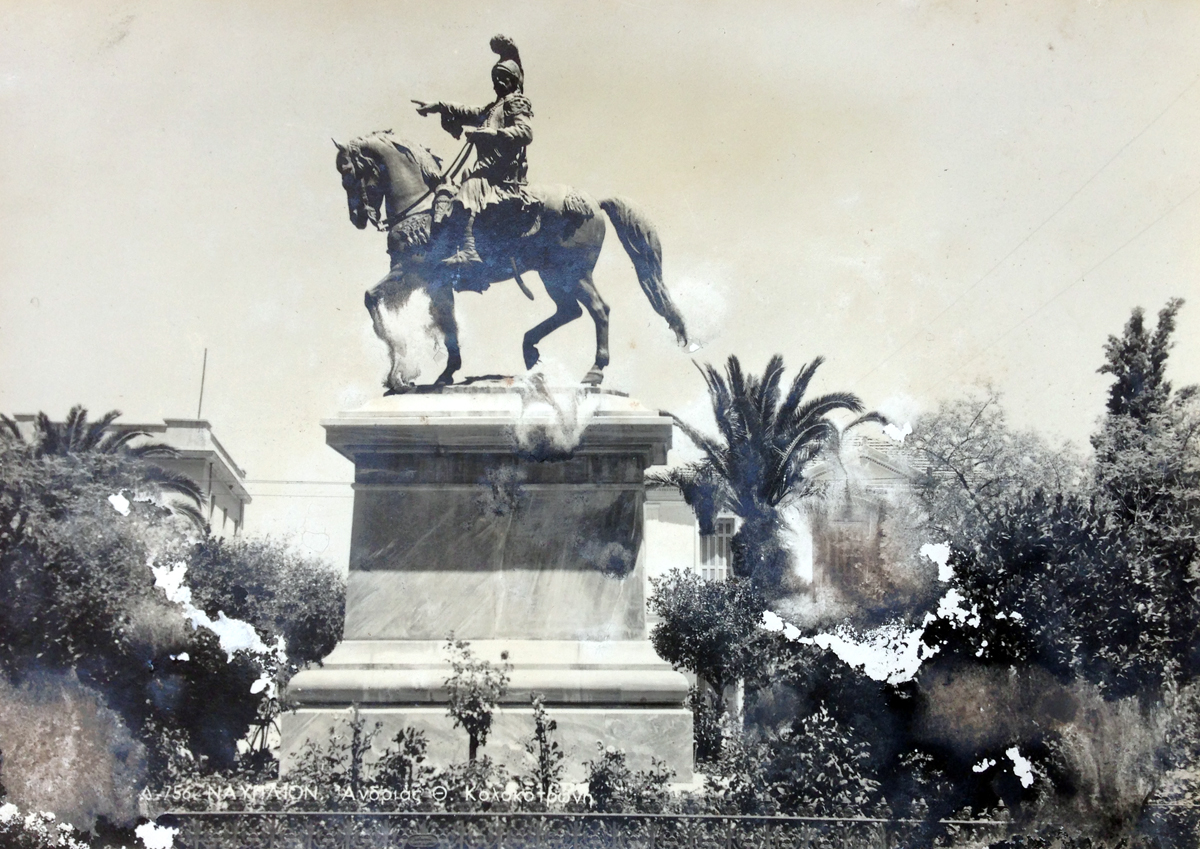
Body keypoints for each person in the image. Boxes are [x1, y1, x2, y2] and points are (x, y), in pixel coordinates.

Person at [413, 35, 532, 266]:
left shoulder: (516, 103)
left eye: (501, 78)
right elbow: (466, 111)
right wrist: (438, 106)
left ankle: (470, 252)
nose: (496, 83)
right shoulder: (492, 108)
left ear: (512, 81)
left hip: (501, 171)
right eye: (495, 78)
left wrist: (493, 134)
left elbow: (526, 132)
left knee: (467, 189)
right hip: (486, 169)